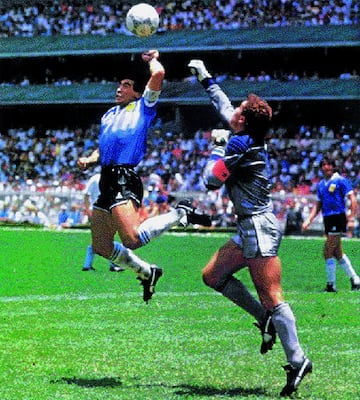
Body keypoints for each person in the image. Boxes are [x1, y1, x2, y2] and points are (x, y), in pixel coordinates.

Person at [188, 59, 312, 397]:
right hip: (249, 227)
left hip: (258, 227)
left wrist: (215, 146)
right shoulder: (246, 135)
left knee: (272, 295)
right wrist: (205, 78)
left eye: (240, 109)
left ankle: (298, 359)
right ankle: (265, 319)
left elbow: (210, 181)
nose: (234, 110)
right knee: (213, 275)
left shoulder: (243, 146)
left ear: (242, 120)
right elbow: (225, 106)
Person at [78, 50, 210, 303]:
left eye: (126, 86)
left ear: (137, 92)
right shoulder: (108, 115)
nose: (119, 89)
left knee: (133, 238)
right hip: (106, 178)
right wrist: (90, 159)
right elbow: (103, 147)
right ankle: (147, 272)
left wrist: (152, 60)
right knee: (101, 246)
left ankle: (179, 214)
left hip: (124, 177)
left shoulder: (143, 107)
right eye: (119, 85)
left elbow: (159, 74)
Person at [302, 157, 360, 292]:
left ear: (333, 166)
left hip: (337, 217)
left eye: (328, 164)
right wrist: (309, 220)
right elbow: (318, 205)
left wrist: (351, 218)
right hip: (327, 219)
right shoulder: (321, 184)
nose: (325, 167)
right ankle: (356, 280)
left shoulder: (341, 180)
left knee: (327, 251)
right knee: (337, 252)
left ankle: (331, 285)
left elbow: (352, 199)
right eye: (323, 164)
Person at [82, 172, 123, 272]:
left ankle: (87, 264)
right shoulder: (110, 178)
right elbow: (87, 195)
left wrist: (88, 211)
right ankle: (113, 264)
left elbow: (86, 195)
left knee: (101, 239)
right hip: (104, 211)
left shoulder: (95, 178)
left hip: (99, 211)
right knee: (106, 238)